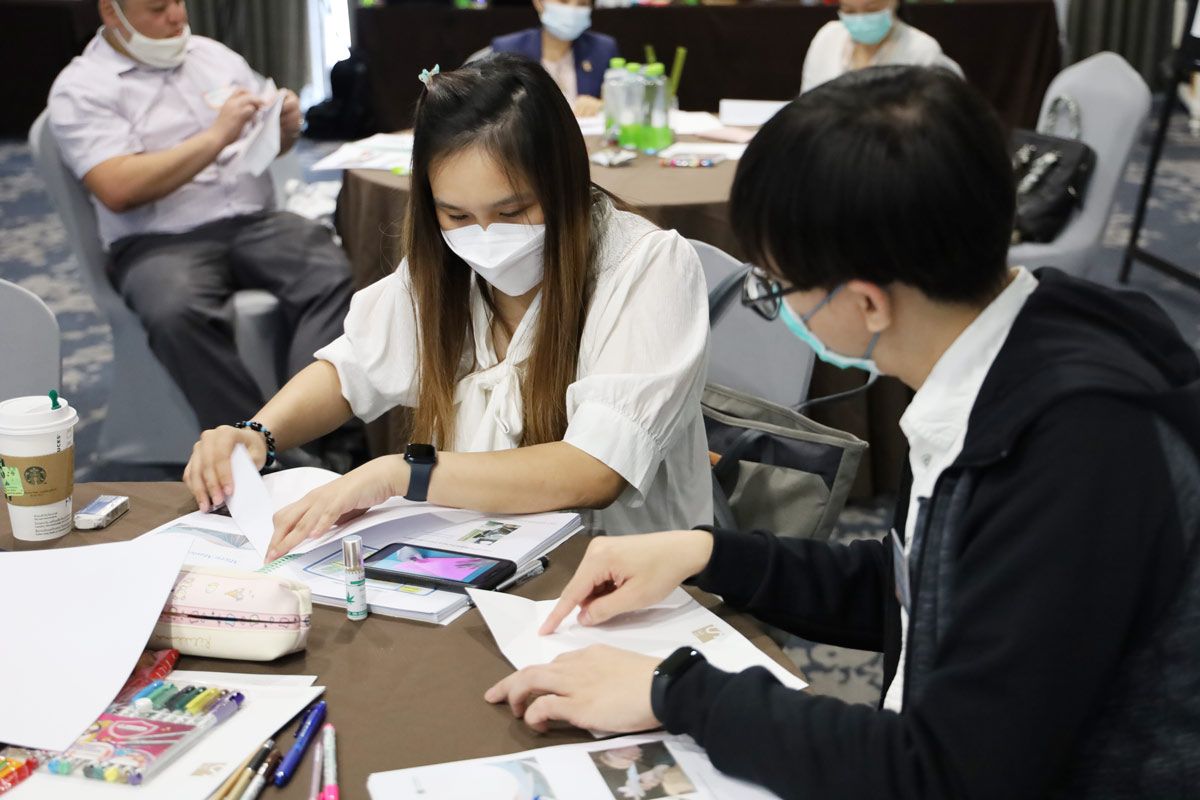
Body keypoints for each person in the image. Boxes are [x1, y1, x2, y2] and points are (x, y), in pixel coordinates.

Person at [485, 66, 1200, 798]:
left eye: (776, 286)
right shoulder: (1001, 353)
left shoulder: (1074, 447)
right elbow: (923, 588)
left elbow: (948, 771)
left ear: (867, 303)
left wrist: (676, 692)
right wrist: (708, 554)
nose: (776, 305)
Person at [184, 54, 711, 561]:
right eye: (456, 215)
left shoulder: (646, 266)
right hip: (476, 550)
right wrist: (258, 434)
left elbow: (594, 470)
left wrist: (403, 474)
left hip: (618, 569)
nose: (485, 236)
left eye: (512, 211)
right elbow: (351, 369)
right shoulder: (445, 267)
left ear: (564, 182)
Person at [48, 0, 357, 461]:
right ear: (113, 14)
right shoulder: (82, 87)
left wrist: (285, 127)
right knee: (173, 308)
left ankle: (304, 436)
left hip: (253, 221)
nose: (177, 16)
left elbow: (266, 144)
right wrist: (216, 136)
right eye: (158, 9)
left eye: (178, 1)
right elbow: (117, 187)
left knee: (331, 272)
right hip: (158, 241)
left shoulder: (213, 56)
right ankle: (255, 454)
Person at [490, 0, 619, 117]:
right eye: (563, 1)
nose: (572, 11)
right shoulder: (508, 49)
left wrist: (602, 105)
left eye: (582, 4)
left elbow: (620, 101)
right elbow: (494, 110)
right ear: (538, 3)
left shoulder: (603, 48)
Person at [800, 0, 961, 94]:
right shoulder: (827, 38)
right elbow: (806, 106)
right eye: (849, 10)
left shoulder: (922, 50)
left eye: (872, 9)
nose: (860, 18)